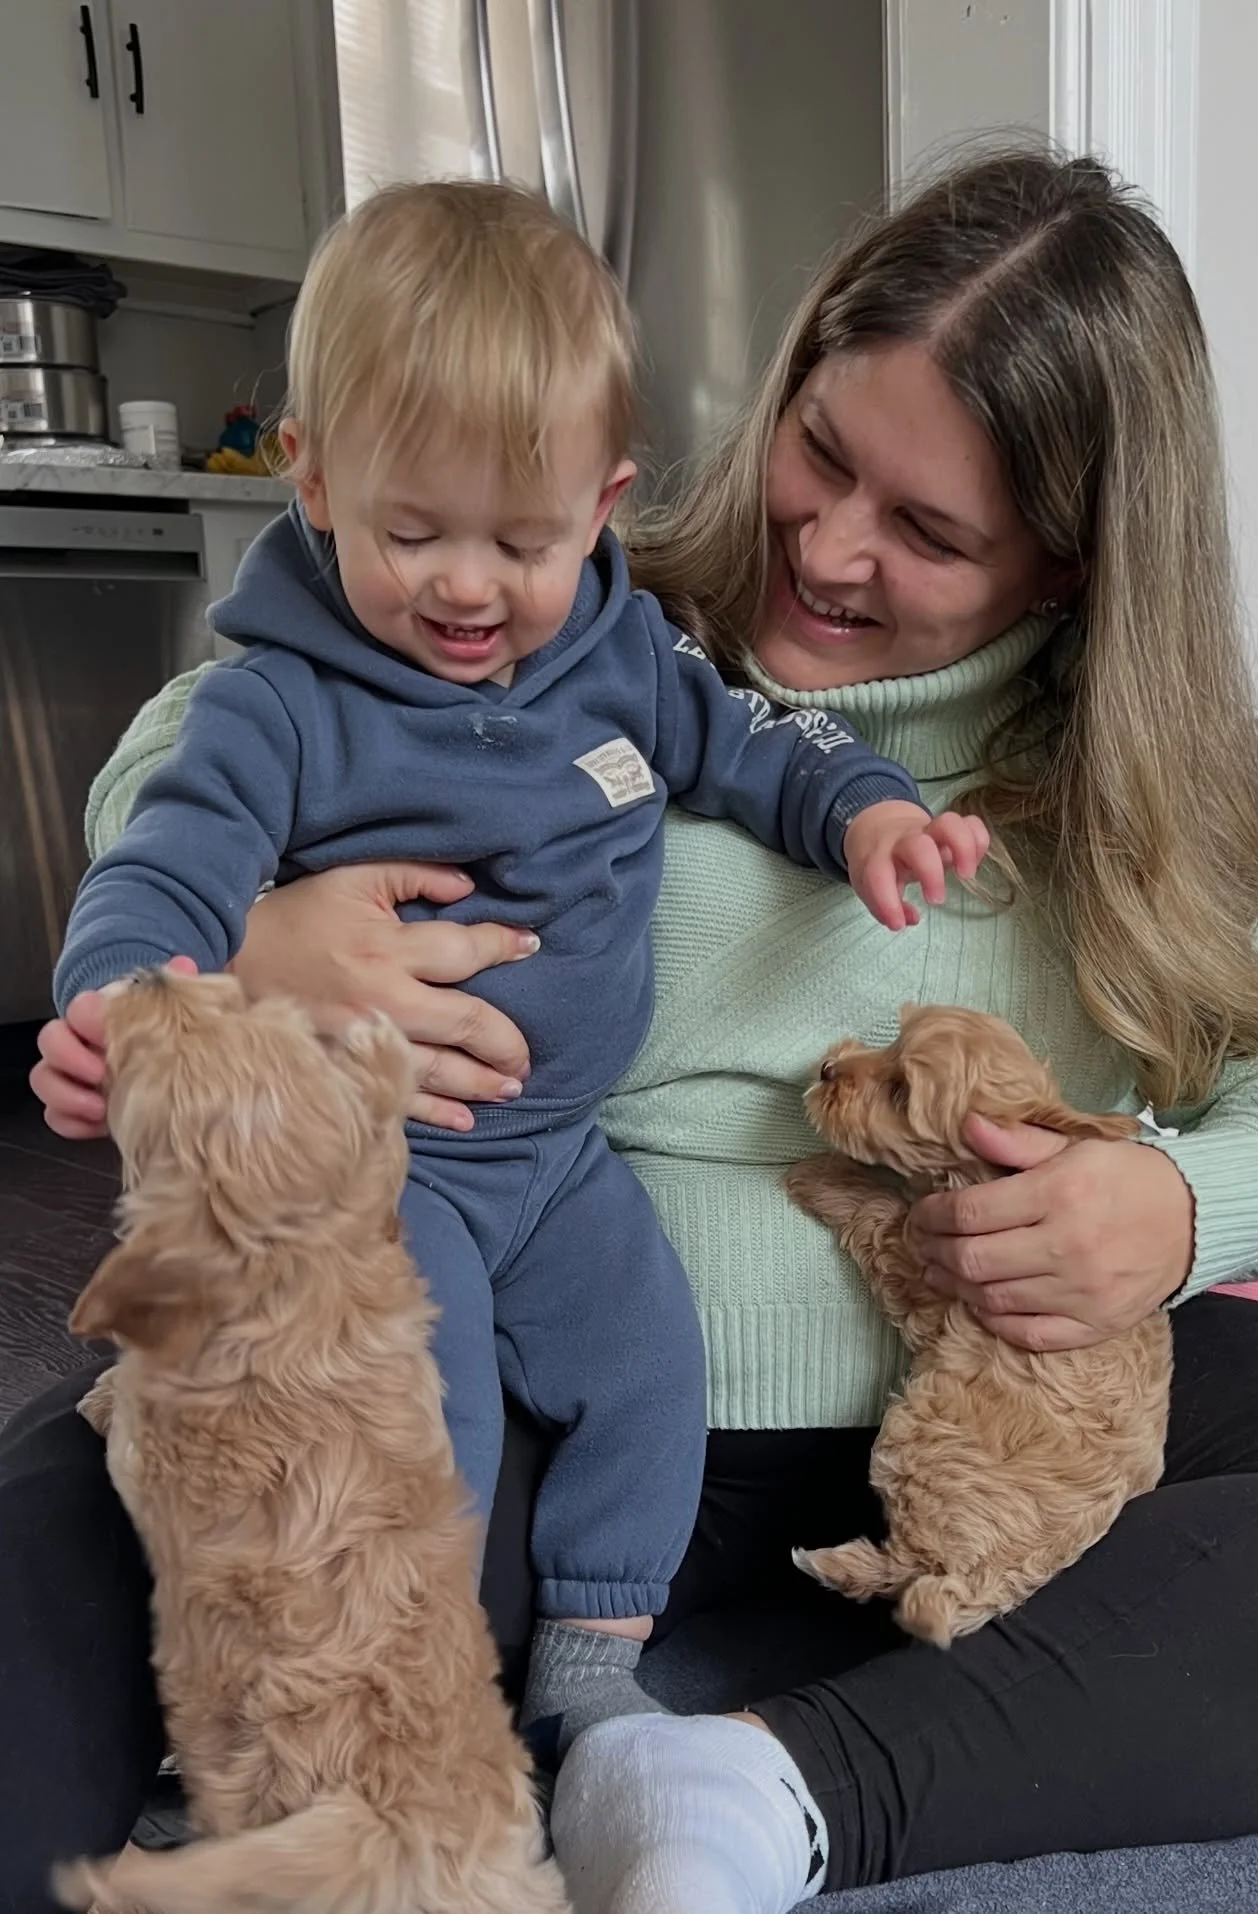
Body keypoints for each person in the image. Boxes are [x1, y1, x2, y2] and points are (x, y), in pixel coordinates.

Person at [14, 147, 1258, 1914]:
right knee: (88, 1508)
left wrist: (1173, 1209)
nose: (829, 549)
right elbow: (199, 742)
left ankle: (764, 1792)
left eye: (927, 532)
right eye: (823, 454)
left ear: (1068, 566)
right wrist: (250, 946)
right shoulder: (582, 617)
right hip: (552, 1382)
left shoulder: (1176, 798)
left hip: (979, 1419)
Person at [32, 178, 983, 1771]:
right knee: (428, 1415)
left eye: (524, 541)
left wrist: (863, 807)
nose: (469, 586)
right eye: (414, 534)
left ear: (605, 502)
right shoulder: (277, 705)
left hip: (553, 1158)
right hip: (379, 1159)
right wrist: (132, 995)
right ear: (314, 480)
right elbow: (166, 862)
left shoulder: (622, 649)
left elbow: (748, 742)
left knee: (650, 1373)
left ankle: (594, 1666)